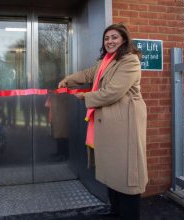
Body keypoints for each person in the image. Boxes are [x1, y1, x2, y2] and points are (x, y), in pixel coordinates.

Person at [58, 23, 148, 220]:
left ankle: (128, 215)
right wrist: (68, 80)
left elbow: (113, 92)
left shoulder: (130, 61)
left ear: (124, 39)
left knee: (126, 175)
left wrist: (86, 97)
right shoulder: (105, 62)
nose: (110, 41)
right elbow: (87, 74)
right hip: (109, 125)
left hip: (125, 125)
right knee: (112, 173)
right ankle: (116, 212)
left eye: (114, 37)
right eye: (107, 38)